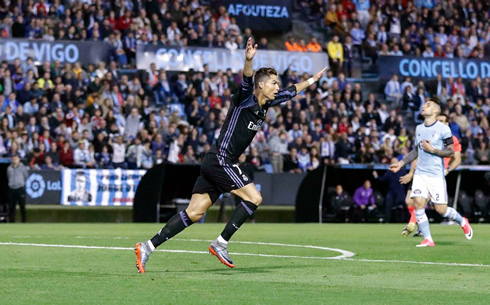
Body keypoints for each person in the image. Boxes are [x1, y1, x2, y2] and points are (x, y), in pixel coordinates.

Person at [134, 38, 328, 272]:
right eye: (274, 83)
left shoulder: (266, 104)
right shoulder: (245, 98)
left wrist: (312, 80)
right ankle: (221, 242)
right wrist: (248, 61)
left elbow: (290, 92)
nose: (278, 87)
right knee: (254, 198)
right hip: (221, 160)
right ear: (262, 85)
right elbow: (247, 78)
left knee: (194, 213)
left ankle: (147, 246)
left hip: (213, 161)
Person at [390, 98, 472, 247]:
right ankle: (428, 239)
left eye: (428, 105)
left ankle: (462, 221)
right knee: (418, 203)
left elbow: (450, 152)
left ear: (435, 110)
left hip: (436, 174)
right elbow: (416, 151)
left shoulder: (444, 129)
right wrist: (401, 163)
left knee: (441, 210)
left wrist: (433, 150)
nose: (423, 106)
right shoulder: (419, 128)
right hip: (421, 173)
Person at [399, 112, 463, 237]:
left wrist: (448, 169)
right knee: (409, 201)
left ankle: (413, 225)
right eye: (439, 120)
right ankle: (418, 225)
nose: (440, 123)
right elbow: (417, 155)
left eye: (443, 121)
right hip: (421, 171)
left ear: (447, 124)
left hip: (436, 174)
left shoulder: (452, 140)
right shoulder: (428, 135)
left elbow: (457, 159)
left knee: (425, 202)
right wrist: (411, 173)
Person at [373, 157, 406, 223]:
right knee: (388, 206)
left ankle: (407, 221)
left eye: (395, 162)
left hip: (400, 192)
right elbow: (383, 180)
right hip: (391, 192)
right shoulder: (389, 172)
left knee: (406, 206)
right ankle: (387, 221)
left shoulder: (402, 171)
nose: (393, 164)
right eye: (392, 162)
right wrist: (376, 176)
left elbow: (407, 180)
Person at [7, 154, 29, 222]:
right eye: (13, 159)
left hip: (20, 188)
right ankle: (11, 221)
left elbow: (26, 176)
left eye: (16, 159)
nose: (15, 160)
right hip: (11, 189)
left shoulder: (23, 168)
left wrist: (21, 183)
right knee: (11, 207)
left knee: (22, 206)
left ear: (19, 159)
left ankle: (24, 221)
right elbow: (8, 176)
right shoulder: (9, 168)